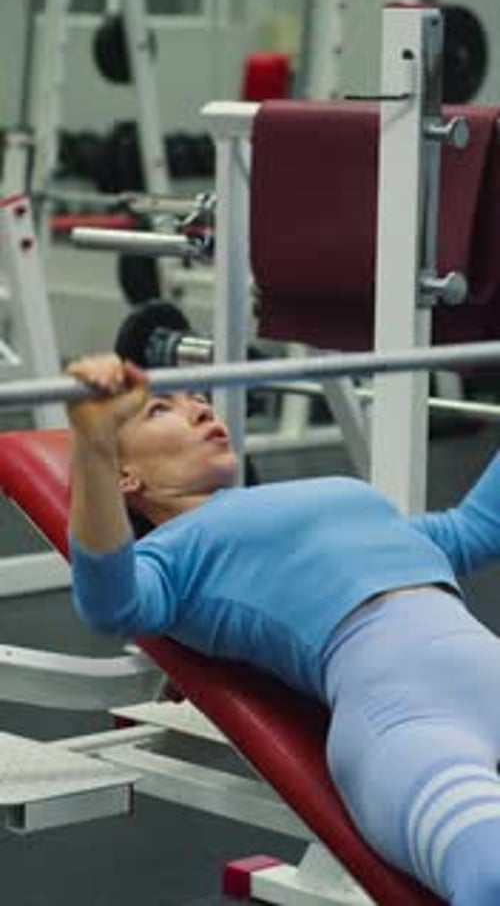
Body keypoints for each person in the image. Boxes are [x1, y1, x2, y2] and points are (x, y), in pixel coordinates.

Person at [66, 352, 500, 906]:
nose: (198, 406)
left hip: (482, 663)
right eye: (159, 409)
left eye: (195, 396)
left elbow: (476, 528)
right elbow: (109, 603)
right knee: (490, 878)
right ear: (127, 477)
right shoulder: (170, 554)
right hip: (404, 715)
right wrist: (93, 448)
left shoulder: (335, 498)